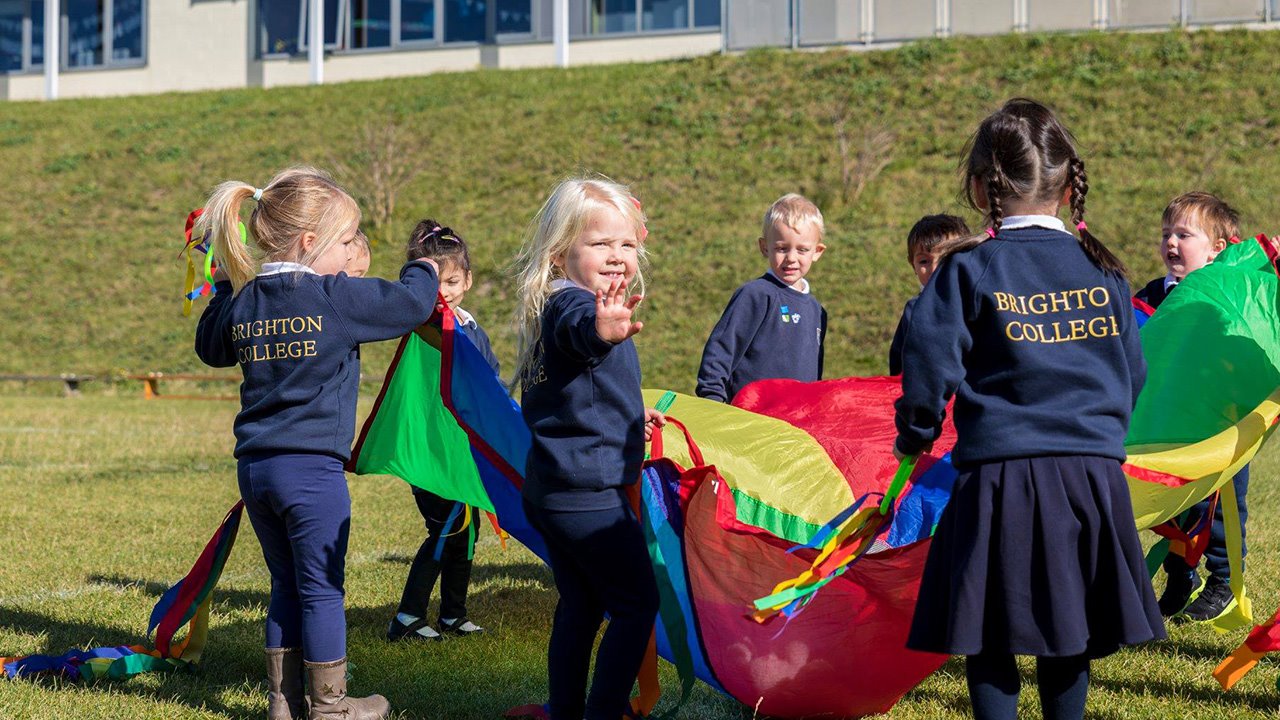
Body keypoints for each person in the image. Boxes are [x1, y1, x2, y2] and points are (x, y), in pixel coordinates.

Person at [894, 99, 1164, 720]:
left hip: (1000, 478)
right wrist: (1094, 431)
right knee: (1068, 629)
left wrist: (915, 435)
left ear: (980, 186)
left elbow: (928, 364)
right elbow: (1134, 372)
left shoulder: (967, 268)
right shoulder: (1107, 271)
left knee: (991, 633)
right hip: (1092, 479)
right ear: (1068, 188)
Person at [194, 166, 439, 720]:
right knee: (323, 588)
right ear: (310, 243)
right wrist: (423, 265)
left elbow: (211, 347)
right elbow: (410, 305)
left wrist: (225, 282)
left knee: (286, 582)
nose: (355, 249)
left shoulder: (249, 299)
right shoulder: (334, 297)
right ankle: (330, 707)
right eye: (348, 238)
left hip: (256, 470)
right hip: (311, 474)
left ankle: (283, 704)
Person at [512, 177, 663, 720]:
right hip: (585, 495)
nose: (617, 256)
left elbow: (577, 388)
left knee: (582, 602)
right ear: (560, 251)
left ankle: (566, 709)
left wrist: (629, 413)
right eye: (601, 244)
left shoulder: (560, 302)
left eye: (626, 244)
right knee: (636, 604)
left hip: (556, 488)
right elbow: (582, 335)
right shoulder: (574, 307)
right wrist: (599, 331)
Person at [1137, 191, 1250, 623]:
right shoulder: (1151, 296)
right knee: (1176, 503)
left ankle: (1222, 581)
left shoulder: (1229, 297)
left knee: (1221, 506)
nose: (1170, 243)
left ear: (1217, 249)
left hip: (1223, 427)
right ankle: (1180, 577)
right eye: (1166, 233)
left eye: (1184, 234)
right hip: (1169, 427)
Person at [387, 219, 498, 643]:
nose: (445, 291)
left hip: (467, 451)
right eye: (435, 283)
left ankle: (453, 613)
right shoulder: (422, 328)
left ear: (467, 280)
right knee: (446, 527)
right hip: (433, 453)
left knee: (468, 530)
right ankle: (407, 616)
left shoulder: (471, 327)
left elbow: (489, 379)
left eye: (452, 281)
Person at [695, 193, 828, 402]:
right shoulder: (756, 295)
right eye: (781, 248)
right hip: (751, 417)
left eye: (802, 250)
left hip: (795, 421)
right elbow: (721, 350)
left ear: (817, 251)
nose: (791, 258)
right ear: (765, 247)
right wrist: (713, 400)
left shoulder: (817, 311)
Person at [889, 214, 970, 375]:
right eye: (924, 261)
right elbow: (899, 367)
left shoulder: (980, 304)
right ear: (913, 265)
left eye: (945, 259)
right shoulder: (913, 310)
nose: (934, 269)